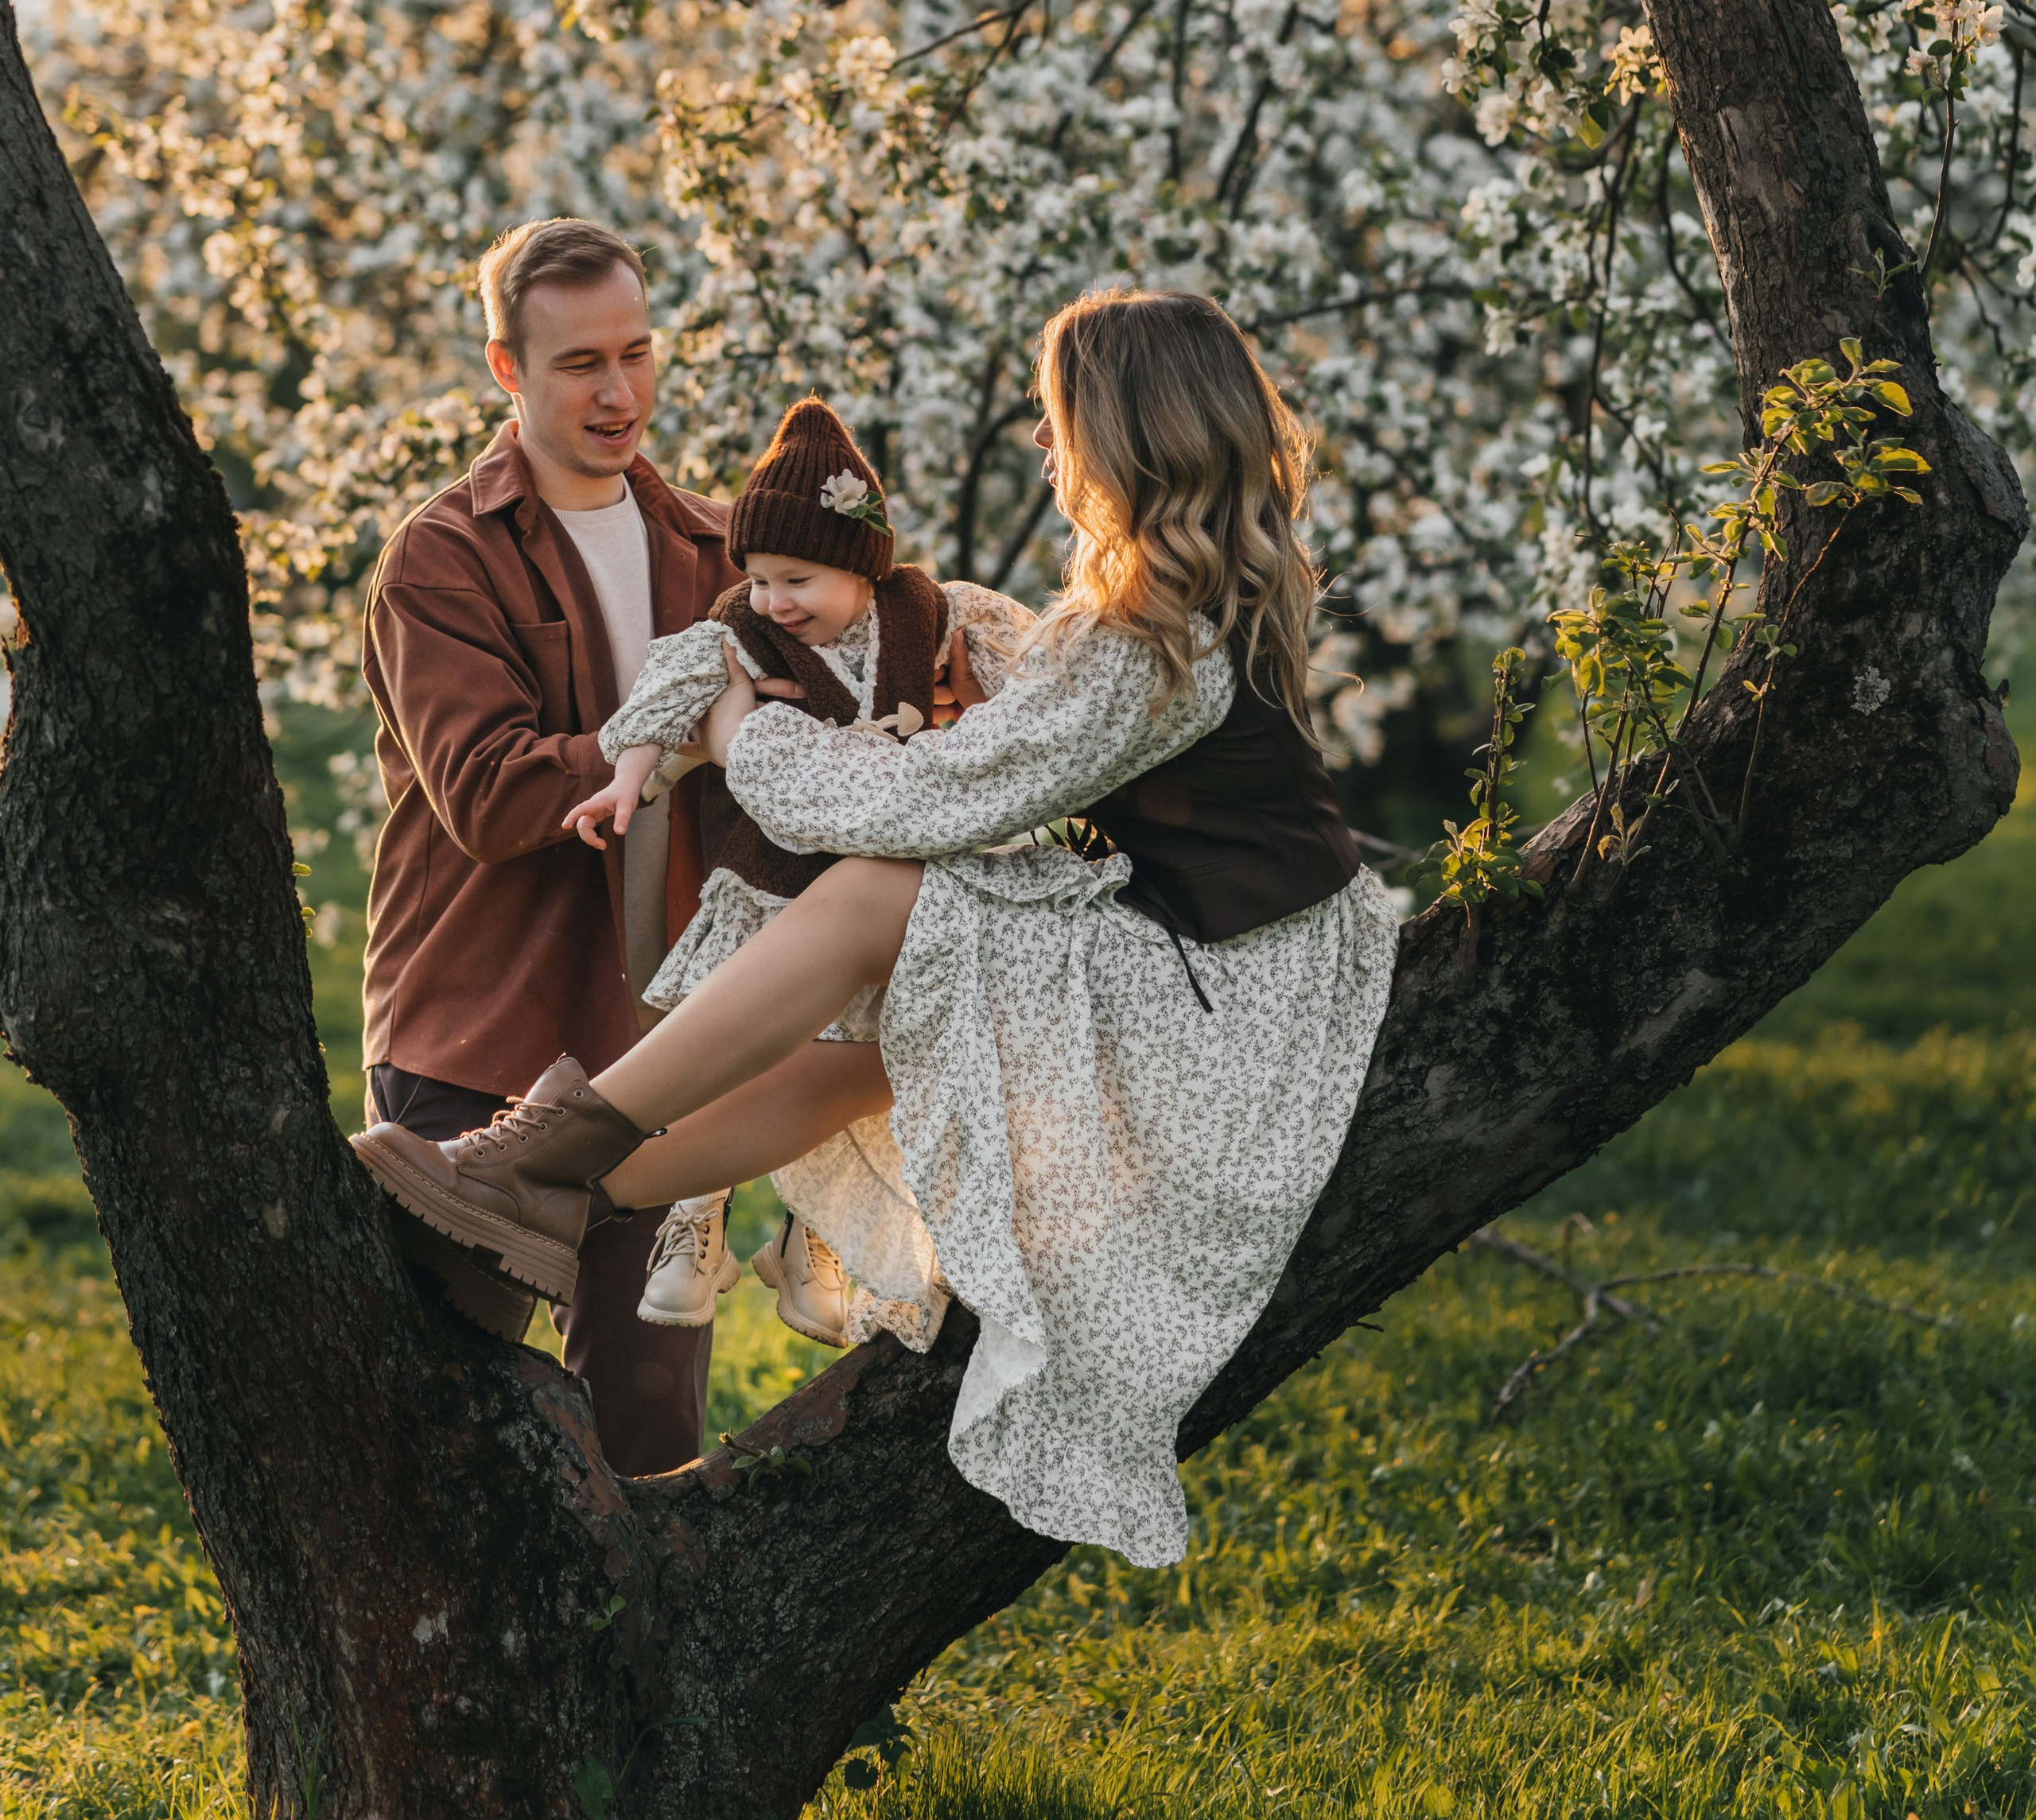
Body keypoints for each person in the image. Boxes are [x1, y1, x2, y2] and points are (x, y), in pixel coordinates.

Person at [352, 289, 1404, 1566]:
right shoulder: (1173, 610)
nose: (1050, 453)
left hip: (1229, 1006)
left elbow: (909, 802)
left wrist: (740, 727)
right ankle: (575, 1195)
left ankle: (533, 1159)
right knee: (863, 1056)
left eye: (1061, 425)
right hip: (1221, 964)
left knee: (879, 894)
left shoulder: (1150, 640)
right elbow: (1014, 760)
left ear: (1126, 441)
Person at [356, 215, 739, 1475]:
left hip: (664, 1047)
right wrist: (676, 737)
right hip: (479, 1034)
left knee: (649, 1426)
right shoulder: (442, 555)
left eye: (637, 351)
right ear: (506, 369)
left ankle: (659, 1674)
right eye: (580, 364)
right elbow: (485, 790)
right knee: (441, 1429)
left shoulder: (721, 551)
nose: (620, 391)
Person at [558, 394, 1020, 1345]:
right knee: (732, 1048)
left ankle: (816, 1240)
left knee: (855, 1061)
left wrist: (987, 715)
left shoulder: (924, 615)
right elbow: (671, 684)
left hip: (881, 895)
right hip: (770, 885)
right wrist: (628, 780)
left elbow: (1022, 685)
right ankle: (695, 1215)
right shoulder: (746, 631)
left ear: (862, 565)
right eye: (760, 577)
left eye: (797, 577)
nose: (775, 601)